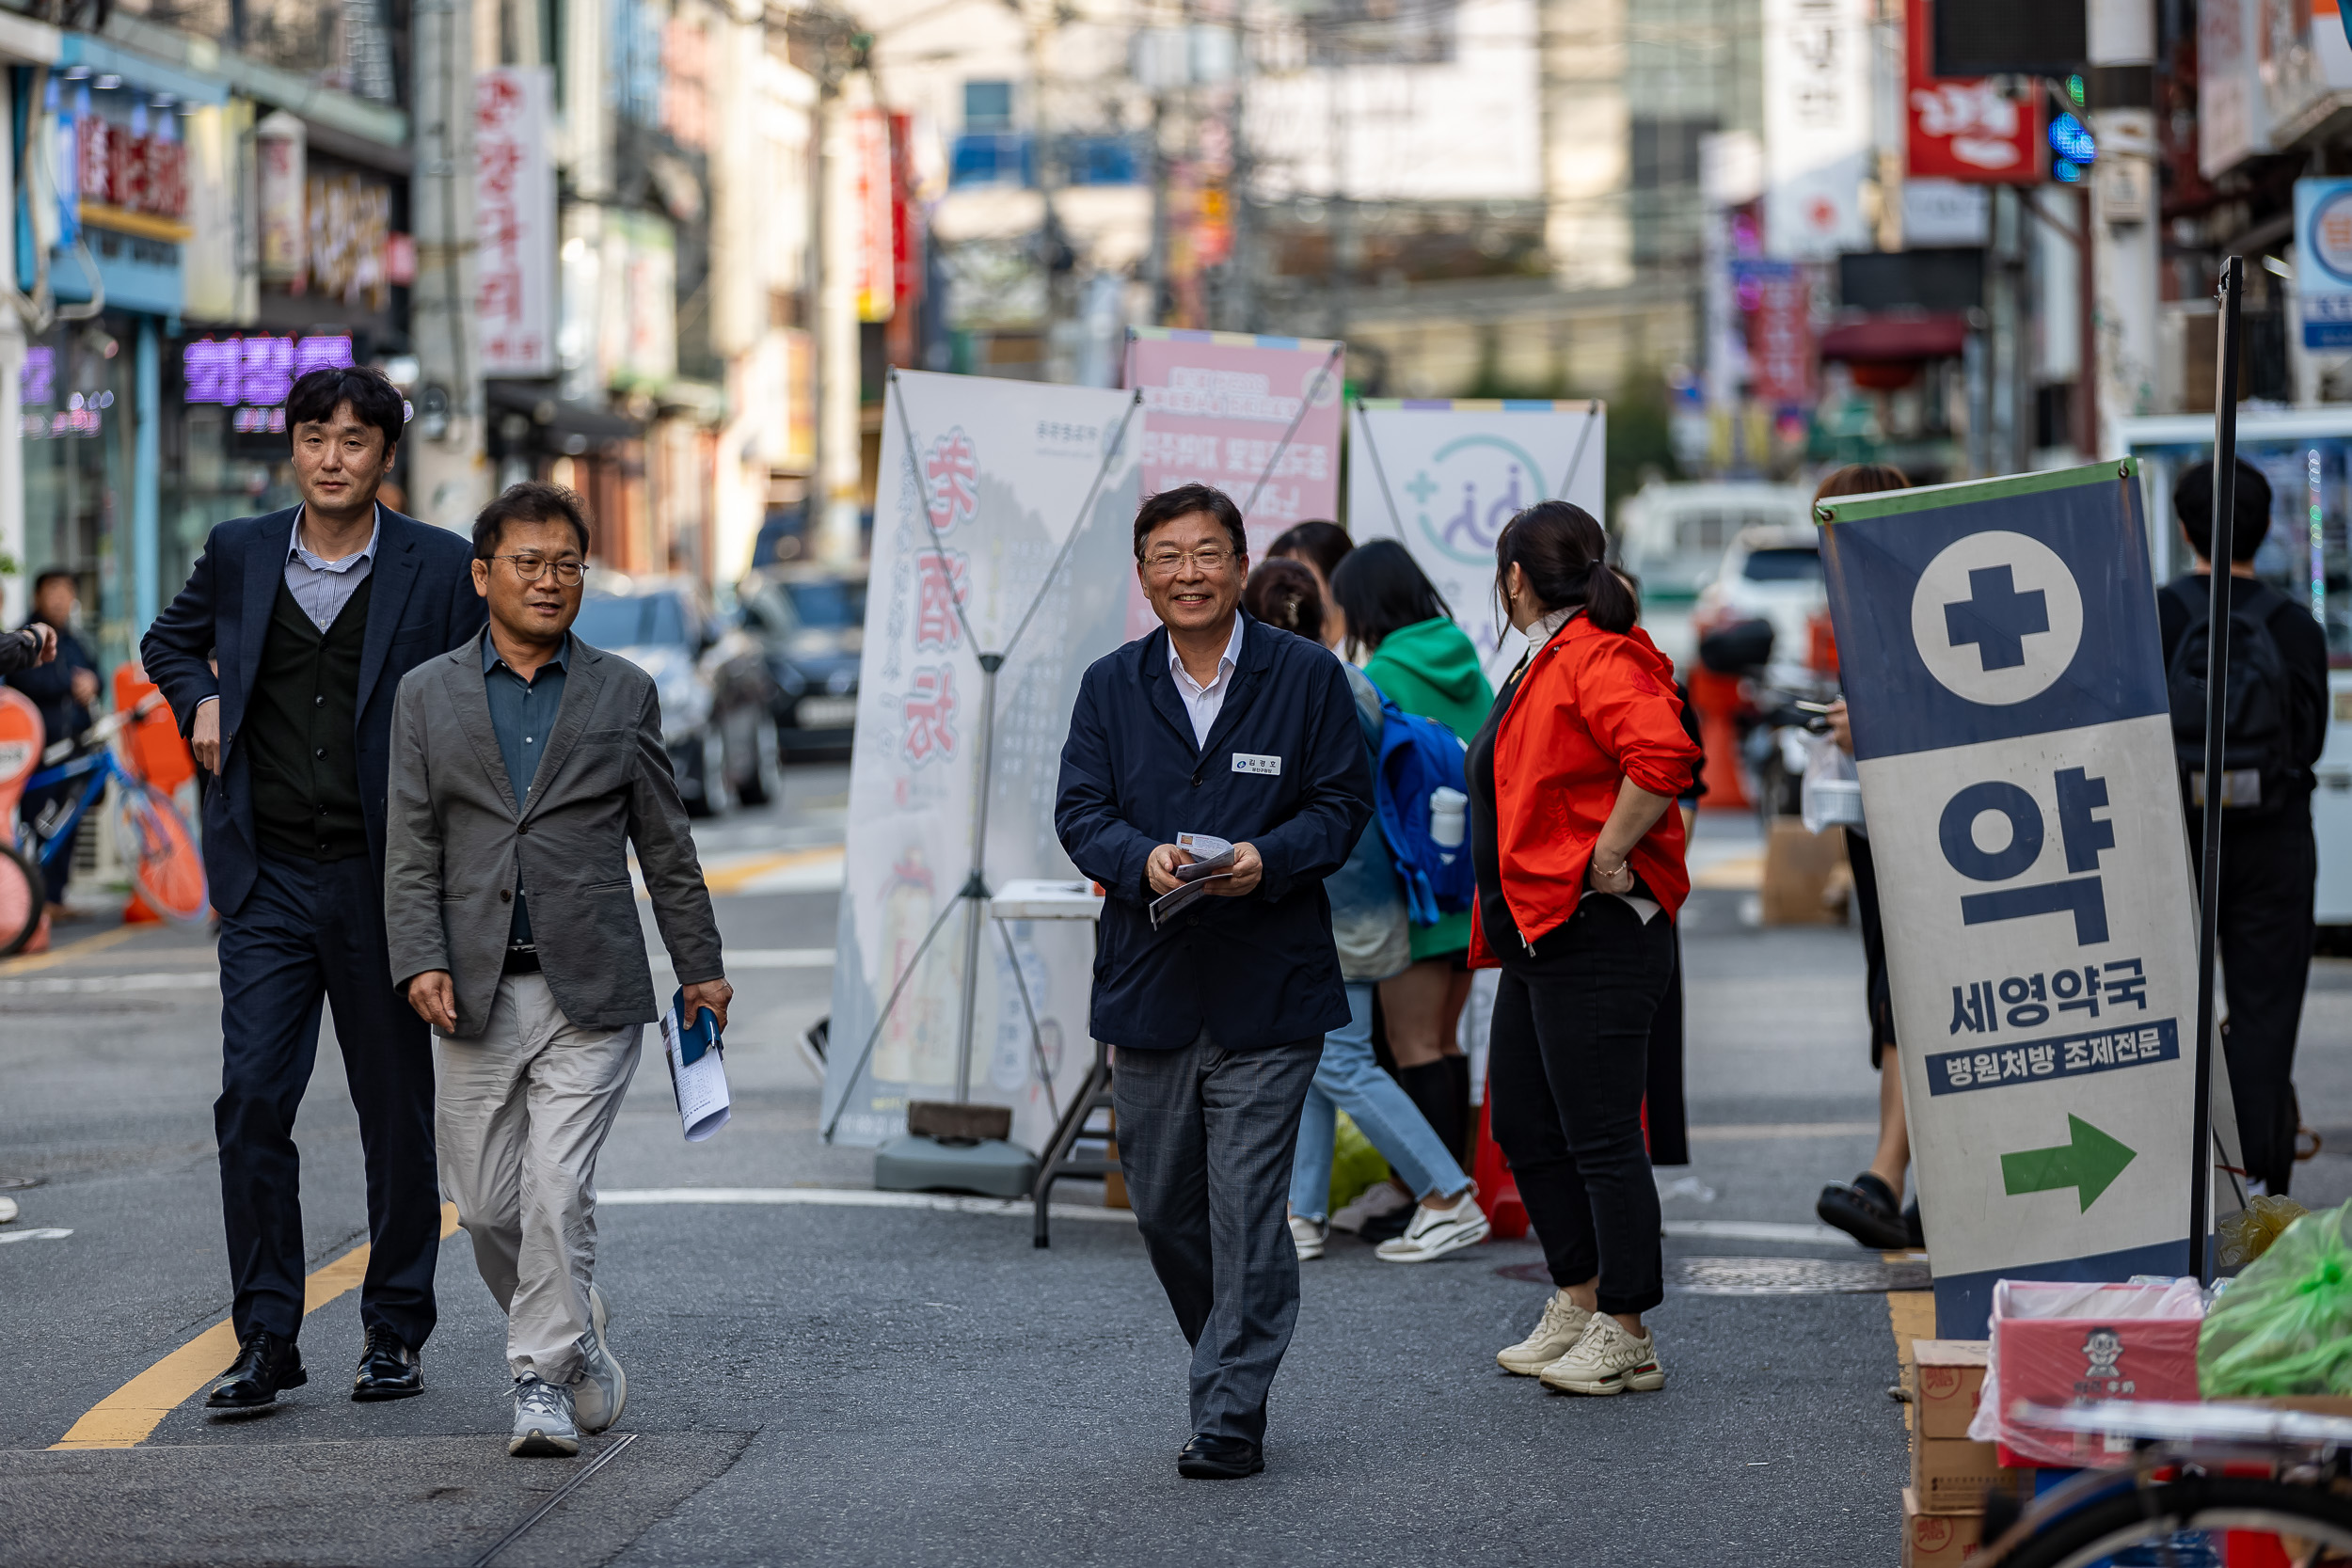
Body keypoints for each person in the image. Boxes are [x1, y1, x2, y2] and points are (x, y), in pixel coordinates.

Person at [141, 365, 489, 1411]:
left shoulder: (435, 564)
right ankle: (265, 1335)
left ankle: (394, 1328)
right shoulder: (241, 550)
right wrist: (201, 696)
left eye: (353, 441)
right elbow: (167, 641)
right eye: (313, 438)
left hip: (388, 881)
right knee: (251, 1099)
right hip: (269, 876)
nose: (331, 458)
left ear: (386, 455)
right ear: (291, 448)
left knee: (395, 1111)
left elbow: (477, 687)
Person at [385, 482, 730, 1458]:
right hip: (473, 989)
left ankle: (537, 1378)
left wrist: (697, 963)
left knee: (553, 1185)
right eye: (528, 563)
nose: (548, 580)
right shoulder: (428, 694)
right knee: (489, 1204)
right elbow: (410, 843)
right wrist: (417, 957)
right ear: (483, 574)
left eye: (566, 564)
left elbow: (664, 842)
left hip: (594, 987)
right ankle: (575, 1325)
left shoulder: (624, 690)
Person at [1055, 483, 1373, 1480]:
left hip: (1267, 985)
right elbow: (1078, 810)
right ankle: (1229, 1351)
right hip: (1149, 981)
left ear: (1240, 566)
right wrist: (1138, 855)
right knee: (1160, 1203)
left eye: (1205, 554)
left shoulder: (1305, 675)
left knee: (1244, 1202)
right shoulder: (1110, 683)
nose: (1186, 573)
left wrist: (1262, 860)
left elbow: (1339, 805)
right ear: (1142, 575)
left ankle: (1228, 1409)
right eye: (1165, 556)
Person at [1473, 500, 1699, 1396]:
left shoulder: (1597, 655)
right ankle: (1578, 1296)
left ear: (1516, 578)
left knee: (1601, 1136)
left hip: (1596, 930)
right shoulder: (1556, 655)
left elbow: (1665, 754)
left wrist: (1607, 852)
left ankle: (1629, 1327)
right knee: (1526, 1123)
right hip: (1541, 928)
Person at [1245, 559, 1489, 1266]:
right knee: (1321, 1052)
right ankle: (1303, 1212)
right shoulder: (1348, 681)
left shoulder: (1299, 688)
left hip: (1332, 901)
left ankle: (1446, 1194)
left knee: (1341, 1057)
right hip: (1362, 895)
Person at [2159, 458, 2327, 1196]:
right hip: (2274, 840)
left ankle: (2172, 1180)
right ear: (2267, 531)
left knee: (2165, 1007)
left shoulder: (2157, 615)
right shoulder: (2297, 626)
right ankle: (2253, 1179)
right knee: (2264, 1012)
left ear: (2183, 526)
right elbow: (2312, 738)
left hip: (2173, 839)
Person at [1327, 538, 1492, 1171]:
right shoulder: (1469, 670)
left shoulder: (1381, 681)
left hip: (1414, 890)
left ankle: (1434, 1195)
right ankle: (1450, 1188)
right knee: (1443, 1038)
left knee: (1411, 1041)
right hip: (1469, 882)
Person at [1806, 463, 1922, 1252]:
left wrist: (1869, 726)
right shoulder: (1873, 607)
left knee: (1913, 1004)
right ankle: (1910, 1183)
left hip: (1927, 839)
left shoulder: (1913, 609)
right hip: (1884, 833)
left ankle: (1887, 1175)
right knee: (1896, 1002)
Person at [8, 570, 100, 916]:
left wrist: (93, 682)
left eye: (68, 591)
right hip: (37, 752)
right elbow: (27, 678)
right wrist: (70, 685)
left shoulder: (73, 640)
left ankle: (55, 899)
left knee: (68, 819)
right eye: (54, 591)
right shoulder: (25, 637)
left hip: (73, 747)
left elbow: (93, 672)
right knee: (37, 821)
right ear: (37, 597)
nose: (62, 598)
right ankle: (33, 898)